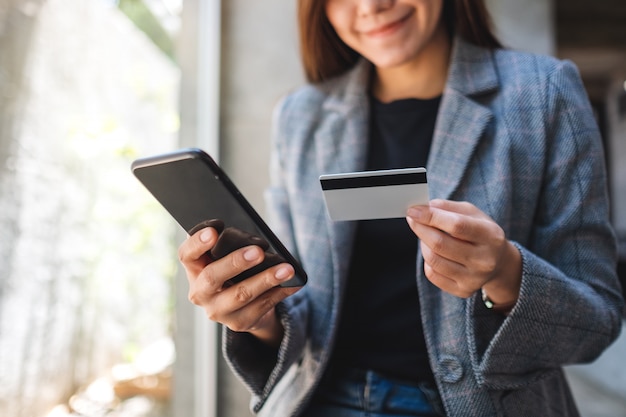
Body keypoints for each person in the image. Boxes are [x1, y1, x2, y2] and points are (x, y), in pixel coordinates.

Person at [178, 0, 625, 416]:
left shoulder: (542, 93)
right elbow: (301, 308)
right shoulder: (300, 116)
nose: (371, 6)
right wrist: (255, 316)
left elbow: (597, 320)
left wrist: (505, 272)